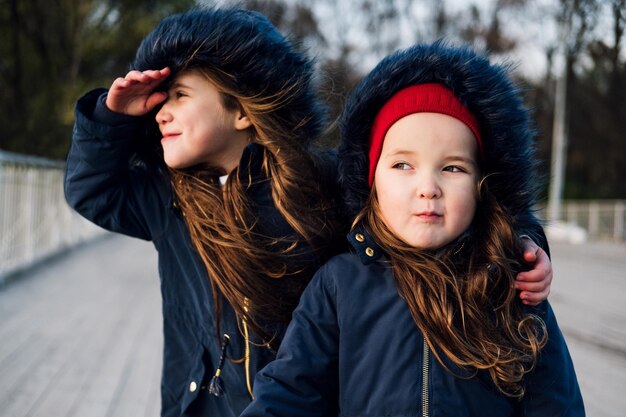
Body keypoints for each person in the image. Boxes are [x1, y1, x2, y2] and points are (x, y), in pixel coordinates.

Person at [65, 6, 553, 416]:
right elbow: (92, 192)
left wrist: (525, 244)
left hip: (300, 396)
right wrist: (112, 118)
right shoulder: (166, 198)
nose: (161, 111)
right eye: (159, 101)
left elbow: (409, 207)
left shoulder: (313, 182)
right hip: (199, 403)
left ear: (241, 111)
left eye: (179, 96)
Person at [240, 41, 584, 416]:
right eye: (403, 165)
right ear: (371, 182)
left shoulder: (510, 287)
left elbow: (555, 403)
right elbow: (291, 392)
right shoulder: (340, 283)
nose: (428, 187)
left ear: (482, 188)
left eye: (453, 168)